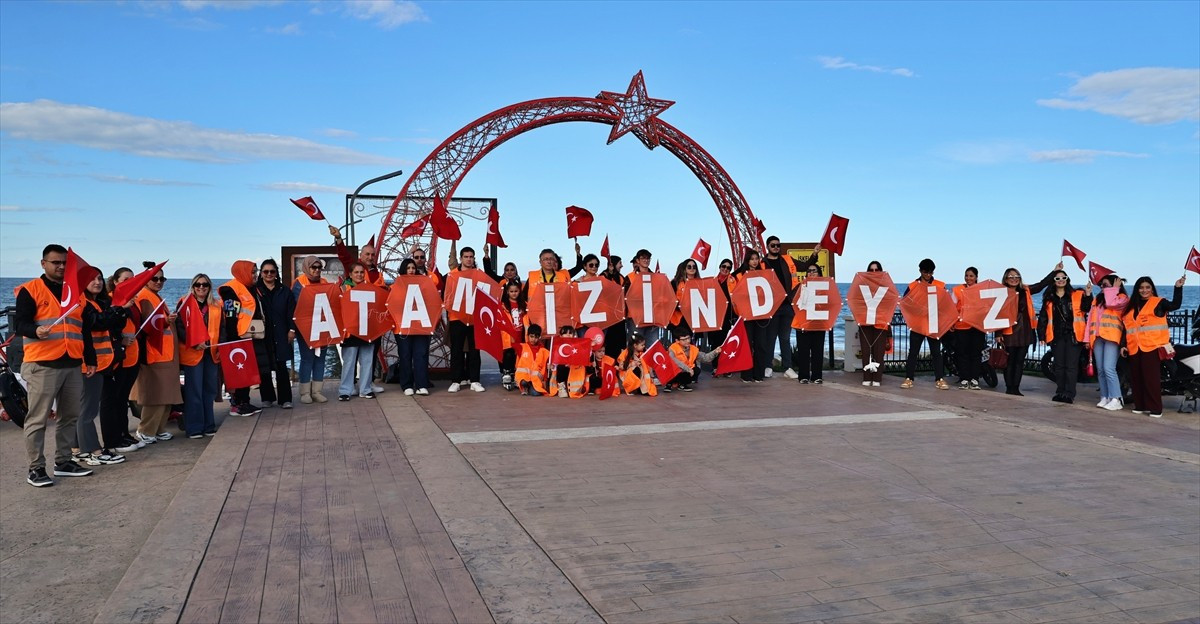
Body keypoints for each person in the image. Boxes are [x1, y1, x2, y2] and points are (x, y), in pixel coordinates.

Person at [15, 244, 94, 486]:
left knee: (70, 416)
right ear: (43, 264)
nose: (60, 266)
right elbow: (20, 324)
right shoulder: (31, 290)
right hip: (43, 364)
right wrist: (35, 330)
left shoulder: (75, 293)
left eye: (64, 263)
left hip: (72, 364)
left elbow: (84, 329)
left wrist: (90, 359)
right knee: (37, 419)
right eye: (55, 262)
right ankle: (36, 468)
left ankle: (63, 462)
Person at [74, 267, 127, 465]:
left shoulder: (97, 303)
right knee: (87, 410)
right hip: (89, 364)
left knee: (83, 408)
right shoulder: (83, 304)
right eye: (91, 279)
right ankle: (94, 451)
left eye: (99, 278)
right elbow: (97, 323)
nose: (97, 282)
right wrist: (117, 310)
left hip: (100, 363)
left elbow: (113, 324)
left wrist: (116, 311)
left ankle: (77, 448)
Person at [130, 261, 182, 445]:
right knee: (155, 395)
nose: (159, 282)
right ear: (146, 280)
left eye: (162, 279)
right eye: (155, 279)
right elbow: (147, 326)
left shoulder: (154, 296)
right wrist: (167, 321)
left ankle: (158, 429)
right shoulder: (144, 297)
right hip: (155, 354)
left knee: (166, 395)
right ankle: (146, 430)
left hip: (165, 354)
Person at [1121, 275, 1185, 418]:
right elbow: (1127, 328)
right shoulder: (1131, 307)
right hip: (1134, 347)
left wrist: (1178, 288)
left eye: (1147, 287)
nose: (1144, 290)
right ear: (1137, 289)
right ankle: (1140, 405)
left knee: (1151, 379)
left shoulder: (1159, 302)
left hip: (1152, 346)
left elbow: (1175, 305)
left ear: (1152, 289)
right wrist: (1123, 345)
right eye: (1141, 288)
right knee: (1136, 378)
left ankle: (1156, 408)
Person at [101, 267, 145, 454]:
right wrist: (120, 340)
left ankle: (123, 433)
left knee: (123, 399)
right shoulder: (110, 301)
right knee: (113, 399)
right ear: (116, 282)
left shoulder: (133, 302)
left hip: (132, 357)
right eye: (125, 279)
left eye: (132, 279)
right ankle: (114, 438)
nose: (130, 282)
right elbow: (105, 326)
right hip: (118, 358)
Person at [762, 237, 816, 380]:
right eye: (773, 245)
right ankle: (768, 366)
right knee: (771, 338)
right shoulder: (762, 263)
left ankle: (788, 367)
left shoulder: (787, 259)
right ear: (768, 246)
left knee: (785, 338)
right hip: (772, 306)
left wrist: (814, 254)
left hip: (788, 305)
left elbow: (804, 266)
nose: (776, 247)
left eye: (778, 245)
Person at [178, 273, 223, 438]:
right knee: (194, 391)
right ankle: (194, 427)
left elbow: (222, 328)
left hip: (211, 353)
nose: (201, 287)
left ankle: (209, 425)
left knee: (209, 390)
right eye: (198, 285)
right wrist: (194, 343)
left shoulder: (217, 305)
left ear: (209, 287)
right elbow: (180, 327)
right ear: (193, 286)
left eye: (205, 284)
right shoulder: (184, 303)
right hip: (193, 353)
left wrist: (219, 347)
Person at [1038, 268, 1092, 404]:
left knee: (1071, 366)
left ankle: (1069, 393)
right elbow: (1043, 318)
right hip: (1057, 336)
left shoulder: (1077, 294)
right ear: (1054, 281)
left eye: (1063, 277)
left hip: (1074, 336)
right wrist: (1042, 336)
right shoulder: (1049, 299)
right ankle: (1060, 391)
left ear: (1067, 279)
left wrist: (1089, 294)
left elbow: (1087, 308)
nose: (1061, 280)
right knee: (1059, 366)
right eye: (1057, 278)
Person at [220, 260, 262, 417]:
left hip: (248, 336)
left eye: (256, 271)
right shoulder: (230, 289)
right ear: (243, 272)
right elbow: (231, 316)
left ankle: (245, 401)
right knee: (239, 372)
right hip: (238, 337)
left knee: (246, 372)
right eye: (252, 272)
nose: (255, 274)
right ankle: (237, 404)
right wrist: (233, 341)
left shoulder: (251, 288)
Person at [901, 258, 950, 390]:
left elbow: (946, 303)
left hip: (933, 324)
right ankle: (909, 378)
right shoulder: (912, 286)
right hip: (917, 324)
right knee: (913, 352)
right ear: (920, 271)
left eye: (930, 272)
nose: (928, 274)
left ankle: (939, 378)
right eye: (925, 272)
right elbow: (905, 303)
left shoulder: (940, 285)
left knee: (936, 353)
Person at [254, 259, 296, 409]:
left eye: (272, 271)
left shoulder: (284, 291)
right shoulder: (255, 291)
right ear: (261, 273)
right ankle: (267, 398)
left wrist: (292, 329)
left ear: (276, 273)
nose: (269, 274)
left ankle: (285, 399)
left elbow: (292, 312)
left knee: (281, 366)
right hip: (262, 334)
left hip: (281, 332)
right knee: (264, 366)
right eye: (265, 271)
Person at [1086, 274, 1129, 410]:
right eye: (1101, 285)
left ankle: (1116, 398)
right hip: (1097, 337)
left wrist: (1115, 290)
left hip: (1112, 337)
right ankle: (1105, 396)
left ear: (1115, 285)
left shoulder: (1122, 298)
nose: (1103, 287)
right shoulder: (1097, 300)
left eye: (1106, 285)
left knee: (1109, 368)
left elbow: (1112, 303)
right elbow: (1090, 320)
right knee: (1101, 370)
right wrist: (1087, 339)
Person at [447, 246, 485, 393]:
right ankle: (456, 380)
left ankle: (475, 380)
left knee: (475, 350)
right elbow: (448, 295)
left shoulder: (479, 274)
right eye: (466, 257)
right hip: (457, 318)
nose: (469, 259)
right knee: (456, 350)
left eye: (471, 257)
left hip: (475, 318)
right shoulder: (453, 275)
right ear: (461, 258)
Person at [337, 262, 378, 401]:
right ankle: (345, 390)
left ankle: (365, 389)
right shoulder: (343, 288)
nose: (359, 275)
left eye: (361, 272)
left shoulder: (370, 288)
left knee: (367, 361)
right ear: (350, 274)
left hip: (367, 330)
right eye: (356, 272)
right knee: (349, 362)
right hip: (350, 331)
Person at [291, 255, 329, 404]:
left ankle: (317, 391)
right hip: (305, 328)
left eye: (319, 267)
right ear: (307, 267)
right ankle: (305, 392)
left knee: (320, 359)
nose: (317, 270)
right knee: (307, 359)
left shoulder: (325, 282)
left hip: (323, 327)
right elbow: (294, 307)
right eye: (314, 267)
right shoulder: (298, 283)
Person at [393, 258, 433, 396]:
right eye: (408, 268)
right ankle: (407, 385)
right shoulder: (396, 285)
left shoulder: (423, 285)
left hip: (420, 326)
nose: (411, 270)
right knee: (405, 355)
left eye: (413, 268)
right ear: (403, 269)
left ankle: (421, 384)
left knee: (420, 355)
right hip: (403, 327)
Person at [996, 267, 1039, 396]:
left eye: (1017, 276)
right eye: (1011, 276)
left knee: (1020, 361)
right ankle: (1009, 387)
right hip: (1009, 332)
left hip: (1025, 331)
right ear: (1005, 279)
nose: (1014, 279)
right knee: (1009, 361)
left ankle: (1016, 388)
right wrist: (998, 334)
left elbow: (1041, 284)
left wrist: (1054, 272)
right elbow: (997, 314)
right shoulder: (1001, 293)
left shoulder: (1025, 291)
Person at [730, 250, 769, 383]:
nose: (754, 261)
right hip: (745, 315)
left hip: (760, 314)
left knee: (761, 345)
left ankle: (759, 374)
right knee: (747, 345)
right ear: (747, 260)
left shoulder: (763, 274)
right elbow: (734, 296)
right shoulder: (738, 275)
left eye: (756, 258)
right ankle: (746, 374)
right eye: (752, 259)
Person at [951, 267, 986, 390]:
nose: (968, 278)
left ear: (976, 277)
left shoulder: (982, 290)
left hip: (977, 327)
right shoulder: (957, 290)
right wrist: (951, 323)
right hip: (962, 327)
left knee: (976, 353)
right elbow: (952, 307)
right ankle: (964, 378)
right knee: (962, 353)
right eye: (966, 275)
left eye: (971, 276)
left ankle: (975, 379)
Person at [793, 263, 828, 384]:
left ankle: (817, 375)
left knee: (818, 350)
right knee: (803, 350)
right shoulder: (801, 286)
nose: (811, 273)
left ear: (819, 273)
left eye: (814, 270)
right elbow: (795, 303)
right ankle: (803, 375)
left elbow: (830, 303)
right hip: (803, 323)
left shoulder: (825, 288)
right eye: (809, 271)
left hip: (819, 323)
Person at [859, 261, 891, 387]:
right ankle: (867, 377)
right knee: (866, 351)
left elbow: (890, 303)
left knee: (878, 352)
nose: (874, 272)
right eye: (871, 270)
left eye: (876, 270)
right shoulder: (862, 285)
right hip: (865, 323)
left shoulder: (886, 286)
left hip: (880, 322)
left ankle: (877, 378)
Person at [663, 327, 720, 392]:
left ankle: (682, 384)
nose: (687, 341)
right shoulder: (673, 348)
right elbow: (673, 360)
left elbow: (706, 358)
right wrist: (688, 369)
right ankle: (669, 383)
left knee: (696, 370)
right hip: (675, 371)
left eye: (688, 338)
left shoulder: (693, 349)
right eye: (684, 340)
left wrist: (715, 352)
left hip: (685, 371)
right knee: (671, 369)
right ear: (677, 341)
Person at [625, 249, 661, 346]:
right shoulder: (629, 277)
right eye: (643, 258)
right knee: (635, 344)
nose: (646, 260)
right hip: (635, 317)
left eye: (648, 258)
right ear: (637, 260)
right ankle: (634, 361)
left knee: (652, 345)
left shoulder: (656, 277)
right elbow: (625, 297)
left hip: (652, 317)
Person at [498, 280, 527, 391]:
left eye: (516, 291)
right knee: (508, 354)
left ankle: (516, 375)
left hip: (520, 335)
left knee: (518, 356)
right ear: (507, 292)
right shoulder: (503, 305)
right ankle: (507, 373)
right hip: (508, 335)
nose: (514, 293)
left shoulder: (524, 305)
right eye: (511, 291)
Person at [601, 255, 629, 360]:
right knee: (609, 340)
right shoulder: (603, 276)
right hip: (607, 315)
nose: (621, 265)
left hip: (619, 315)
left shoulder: (621, 277)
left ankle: (619, 362)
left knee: (620, 340)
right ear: (612, 264)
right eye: (619, 263)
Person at [551, 325, 589, 398]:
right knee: (561, 367)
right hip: (562, 372)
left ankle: (577, 388)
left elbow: (586, 355)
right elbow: (555, 362)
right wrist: (552, 366)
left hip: (574, 372)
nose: (568, 334)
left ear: (573, 335)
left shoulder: (577, 346)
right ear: (561, 336)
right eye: (565, 333)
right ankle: (561, 388)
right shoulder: (557, 347)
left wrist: (591, 345)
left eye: (570, 333)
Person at [514, 323, 549, 396]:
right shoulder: (522, 347)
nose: (533, 339)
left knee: (536, 393)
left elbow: (545, 367)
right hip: (523, 377)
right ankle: (525, 386)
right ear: (528, 336)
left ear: (539, 337)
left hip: (536, 380)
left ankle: (529, 387)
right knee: (523, 382)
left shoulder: (544, 351)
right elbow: (512, 342)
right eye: (531, 336)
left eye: (536, 337)